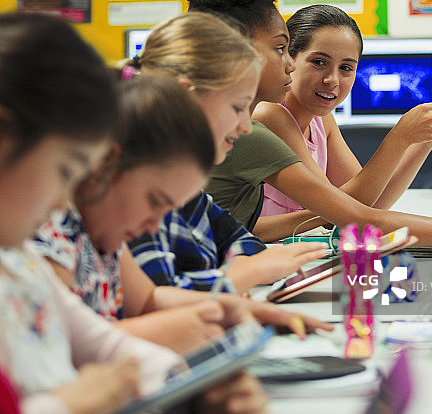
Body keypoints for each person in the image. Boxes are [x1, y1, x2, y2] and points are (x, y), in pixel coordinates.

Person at [0, 12, 272, 414]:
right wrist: (74, 408)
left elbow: (106, 347)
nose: (64, 203)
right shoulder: (43, 244)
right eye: (66, 172)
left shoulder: (19, 260)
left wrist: (192, 389)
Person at [179, 0, 432, 244]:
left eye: (347, 68)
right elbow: (355, 214)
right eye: (281, 50)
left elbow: (364, 205)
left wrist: (423, 138)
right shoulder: (256, 124)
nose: (289, 65)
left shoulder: (305, 122)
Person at [35, 73, 328, 344]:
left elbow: (149, 299)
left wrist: (242, 309)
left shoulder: (105, 239)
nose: (154, 225)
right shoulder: (52, 245)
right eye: (155, 201)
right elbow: (80, 343)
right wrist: (205, 318)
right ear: (105, 166)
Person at [126, 12, 329, 294]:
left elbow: (240, 241)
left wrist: (250, 269)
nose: (246, 126)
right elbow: (157, 297)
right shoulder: (135, 187)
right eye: (237, 108)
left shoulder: (188, 188)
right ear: (190, 96)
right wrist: (242, 276)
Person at [254, 4, 432, 219]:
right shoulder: (270, 115)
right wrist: (399, 136)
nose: (332, 80)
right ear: (288, 59)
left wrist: (430, 135)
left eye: (346, 68)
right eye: (319, 62)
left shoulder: (322, 121)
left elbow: (371, 205)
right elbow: (342, 211)